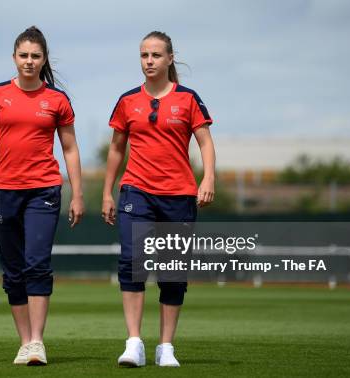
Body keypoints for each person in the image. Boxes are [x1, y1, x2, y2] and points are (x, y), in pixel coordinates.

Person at [0, 26, 84, 366]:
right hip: (4, 191)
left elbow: (71, 149)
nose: (29, 61)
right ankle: (24, 342)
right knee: (12, 271)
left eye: (35, 56)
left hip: (44, 190)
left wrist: (77, 193)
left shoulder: (58, 100)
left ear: (43, 59)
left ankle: (37, 342)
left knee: (37, 263)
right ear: (14, 58)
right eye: (23, 56)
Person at [102, 31, 216, 367]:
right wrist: (108, 191)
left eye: (155, 55)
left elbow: (205, 142)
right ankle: (134, 342)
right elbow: (115, 149)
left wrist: (208, 177)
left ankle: (166, 347)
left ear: (169, 58)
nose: (148, 61)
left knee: (172, 271)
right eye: (143, 55)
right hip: (135, 191)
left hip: (179, 195)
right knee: (132, 262)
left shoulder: (188, 99)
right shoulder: (127, 101)